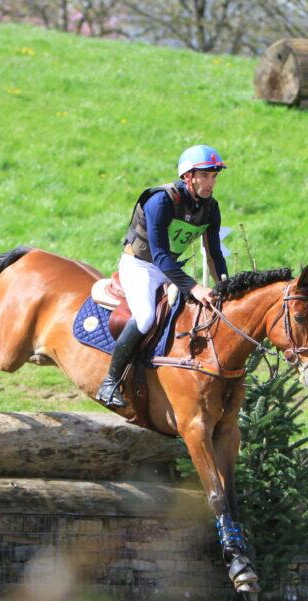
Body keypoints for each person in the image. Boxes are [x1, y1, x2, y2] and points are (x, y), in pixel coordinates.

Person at [95, 144, 229, 408]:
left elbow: (213, 253)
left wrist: (225, 286)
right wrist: (194, 287)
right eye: (204, 176)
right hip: (140, 266)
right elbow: (159, 257)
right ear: (187, 176)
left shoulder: (211, 209)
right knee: (145, 317)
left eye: (214, 176)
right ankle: (109, 382)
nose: (211, 182)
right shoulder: (162, 201)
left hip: (169, 269)